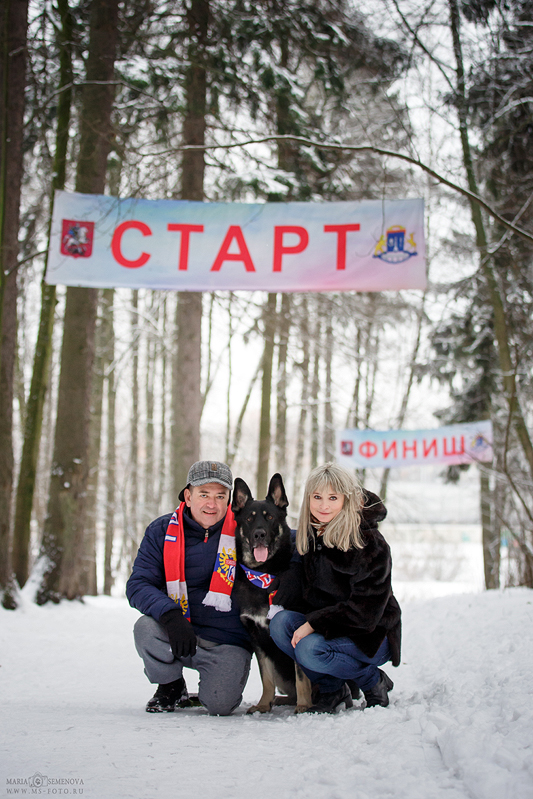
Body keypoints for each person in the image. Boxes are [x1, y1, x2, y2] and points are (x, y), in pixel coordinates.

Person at [269, 462, 401, 714]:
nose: (324, 505)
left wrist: (313, 624)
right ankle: (332, 689)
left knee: (309, 648)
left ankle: (373, 681)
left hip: (372, 636)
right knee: (280, 624)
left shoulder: (369, 543)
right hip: (328, 630)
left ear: (346, 499)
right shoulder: (311, 535)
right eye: (317, 497)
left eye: (333, 497)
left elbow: (365, 613)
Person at [126, 460, 252, 716]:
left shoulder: (247, 529)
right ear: (188, 496)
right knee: (145, 628)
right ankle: (171, 685)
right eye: (204, 494)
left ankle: (218, 685)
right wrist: (170, 615)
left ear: (229, 499)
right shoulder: (161, 531)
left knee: (220, 705)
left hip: (227, 639)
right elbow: (138, 584)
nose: (212, 504)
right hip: (178, 631)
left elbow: (287, 541)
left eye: (220, 496)